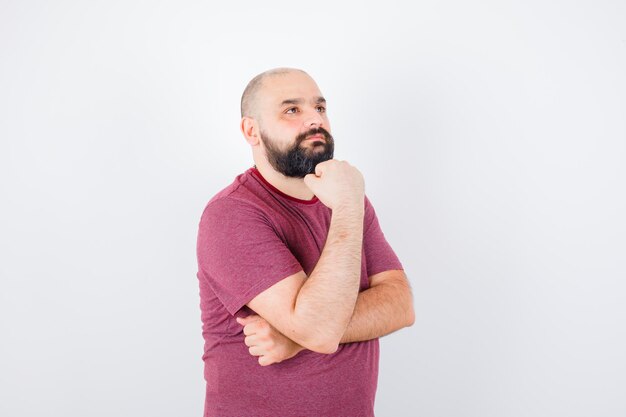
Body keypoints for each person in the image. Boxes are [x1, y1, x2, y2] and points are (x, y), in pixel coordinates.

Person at [196, 67, 414, 417]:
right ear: (251, 130)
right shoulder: (232, 214)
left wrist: (295, 336)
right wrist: (346, 206)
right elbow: (319, 331)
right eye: (292, 110)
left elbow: (401, 305)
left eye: (320, 108)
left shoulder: (347, 199)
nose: (315, 120)